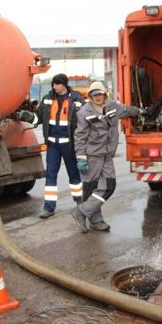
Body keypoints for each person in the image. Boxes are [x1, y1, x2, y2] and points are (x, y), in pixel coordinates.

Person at [71, 81, 144, 232]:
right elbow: (80, 136)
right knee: (90, 188)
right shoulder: (84, 112)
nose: (98, 97)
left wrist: (141, 111)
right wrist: (81, 157)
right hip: (92, 156)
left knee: (109, 186)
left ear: (105, 94)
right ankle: (96, 220)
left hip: (107, 156)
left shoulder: (113, 107)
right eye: (95, 95)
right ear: (90, 96)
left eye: (100, 94)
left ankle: (81, 211)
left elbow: (127, 110)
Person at [19, 74, 85, 218]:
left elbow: (84, 121)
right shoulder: (48, 99)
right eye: (53, 84)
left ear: (64, 85)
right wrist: (27, 116)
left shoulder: (77, 100)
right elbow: (38, 117)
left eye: (57, 84)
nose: (54, 87)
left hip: (69, 144)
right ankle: (49, 208)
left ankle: (80, 204)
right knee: (51, 176)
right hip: (53, 144)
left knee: (74, 175)